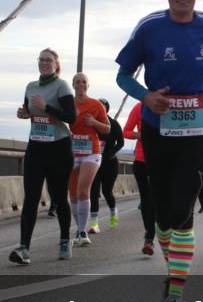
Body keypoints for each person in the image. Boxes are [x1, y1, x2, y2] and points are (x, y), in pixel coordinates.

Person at [116, 0, 203, 302]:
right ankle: (174, 272)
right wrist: (145, 96)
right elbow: (122, 74)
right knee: (164, 217)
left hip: (198, 127)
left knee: (183, 208)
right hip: (158, 130)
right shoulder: (150, 27)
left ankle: (175, 301)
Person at [11, 48, 76, 263]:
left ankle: (65, 240)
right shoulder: (31, 86)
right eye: (41, 60)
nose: (44, 63)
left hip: (59, 148)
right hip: (36, 147)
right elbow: (29, 111)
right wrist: (25, 114)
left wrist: (46, 106)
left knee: (58, 197)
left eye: (49, 60)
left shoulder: (62, 85)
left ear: (56, 64)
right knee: (31, 197)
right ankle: (24, 248)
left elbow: (71, 117)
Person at [67, 74, 110, 248]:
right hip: (71, 152)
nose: (80, 84)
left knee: (83, 190)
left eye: (83, 81)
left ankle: (83, 231)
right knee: (73, 194)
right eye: (77, 82)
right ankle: (78, 229)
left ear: (88, 85)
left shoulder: (96, 105)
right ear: (73, 85)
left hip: (91, 151)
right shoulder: (67, 103)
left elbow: (107, 129)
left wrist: (93, 122)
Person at [123, 101, 156, 254]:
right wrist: (140, 135)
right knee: (146, 200)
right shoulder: (139, 107)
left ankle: (162, 232)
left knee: (161, 200)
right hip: (142, 161)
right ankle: (149, 237)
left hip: (162, 161)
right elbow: (126, 131)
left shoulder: (169, 104)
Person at [88, 98, 123, 232]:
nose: (100, 109)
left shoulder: (113, 123)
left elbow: (121, 142)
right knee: (94, 192)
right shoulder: (91, 123)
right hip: (93, 162)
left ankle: (113, 212)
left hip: (110, 163)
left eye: (103, 107)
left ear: (107, 109)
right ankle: (94, 224)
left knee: (107, 191)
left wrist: (110, 153)